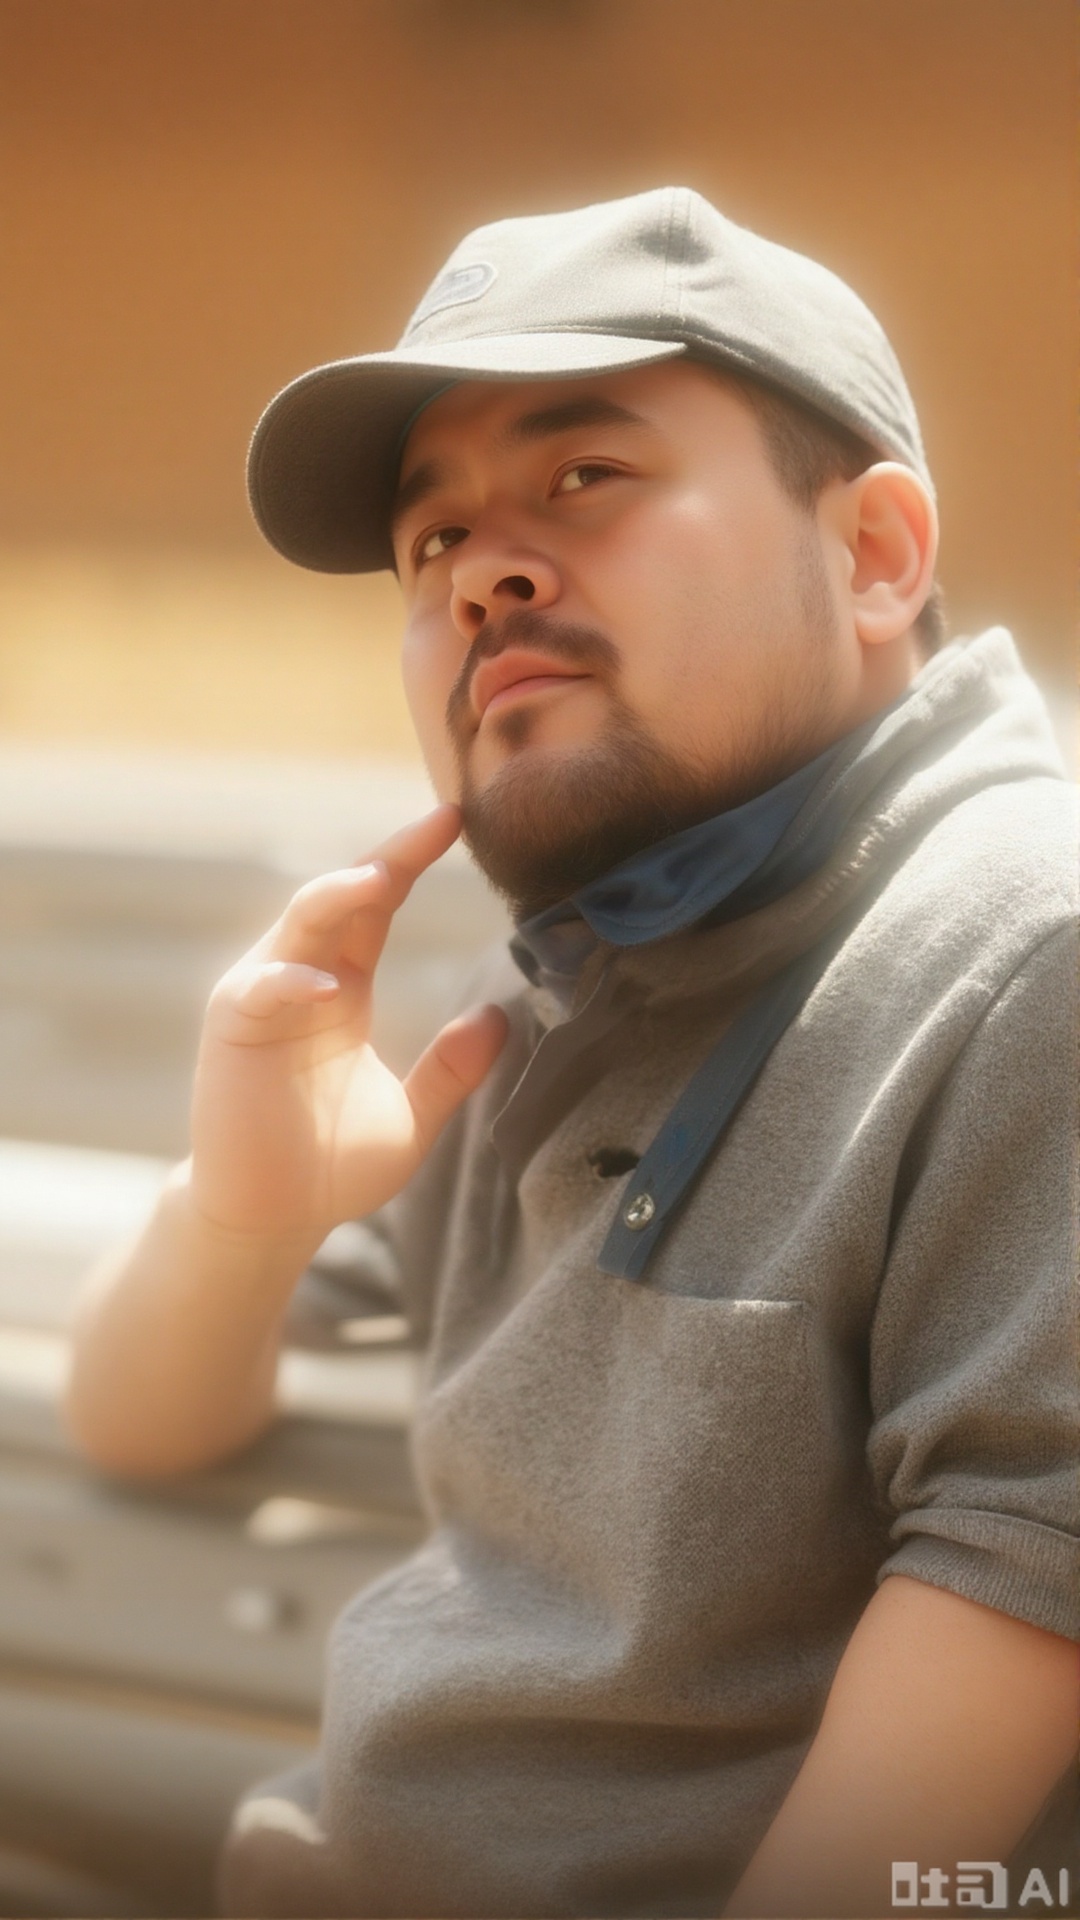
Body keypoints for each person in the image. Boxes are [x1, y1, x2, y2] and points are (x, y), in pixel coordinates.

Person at [67, 187, 1078, 1919]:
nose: (485, 574)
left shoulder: (1023, 953)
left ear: (875, 553)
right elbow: (137, 1423)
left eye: (584, 478)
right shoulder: (570, 978)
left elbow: (1010, 1610)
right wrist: (250, 1214)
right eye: (429, 543)